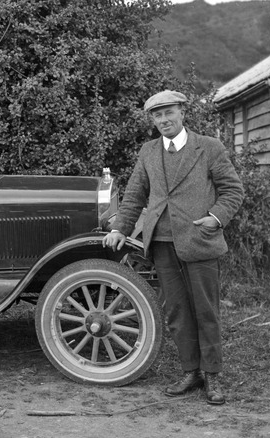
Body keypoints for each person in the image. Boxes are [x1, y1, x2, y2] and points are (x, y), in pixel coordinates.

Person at [102, 90, 243, 405]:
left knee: (206, 310)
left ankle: (213, 377)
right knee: (177, 311)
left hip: (199, 240)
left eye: (169, 113)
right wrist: (119, 229)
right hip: (162, 242)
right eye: (157, 115)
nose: (164, 120)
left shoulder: (208, 147)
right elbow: (136, 194)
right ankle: (191, 371)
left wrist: (215, 219)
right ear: (152, 120)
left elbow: (232, 190)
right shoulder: (148, 151)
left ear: (182, 112)